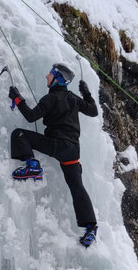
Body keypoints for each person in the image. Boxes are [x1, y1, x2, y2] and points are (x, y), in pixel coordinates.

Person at [9, 63, 98, 247]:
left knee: (19, 133)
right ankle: (90, 227)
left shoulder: (51, 98)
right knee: (77, 187)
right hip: (72, 151)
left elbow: (31, 116)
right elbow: (93, 110)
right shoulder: (73, 98)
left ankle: (32, 166)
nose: (46, 77)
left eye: (49, 74)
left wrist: (17, 99)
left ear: (57, 78)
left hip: (56, 144)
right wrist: (86, 92)